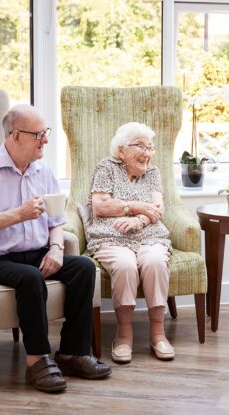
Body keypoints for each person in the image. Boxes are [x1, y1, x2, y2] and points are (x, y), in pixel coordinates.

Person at [0, 104, 111, 394]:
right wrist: (18, 214)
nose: (46, 140)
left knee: (84, 267)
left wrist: (55, 248)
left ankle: (72, 353)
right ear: (16, 136)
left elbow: (56, 219)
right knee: (30, 277)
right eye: (39, 134)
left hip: (37, 253)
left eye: (46, 132)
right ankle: (37, 360)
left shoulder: (43, 170)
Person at [86, 122, 174, 363]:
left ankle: (158, 333)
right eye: (140, 146)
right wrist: (135, 207)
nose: (147, 153)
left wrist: (140, 221)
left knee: (155, 261)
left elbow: (158, 209)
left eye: (150, 147)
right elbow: (101, 206)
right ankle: (124, 334)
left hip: (149, 236)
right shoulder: (106, 167)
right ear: (122, 150)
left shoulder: (153, 173)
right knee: (125, 265)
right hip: (111, 236)